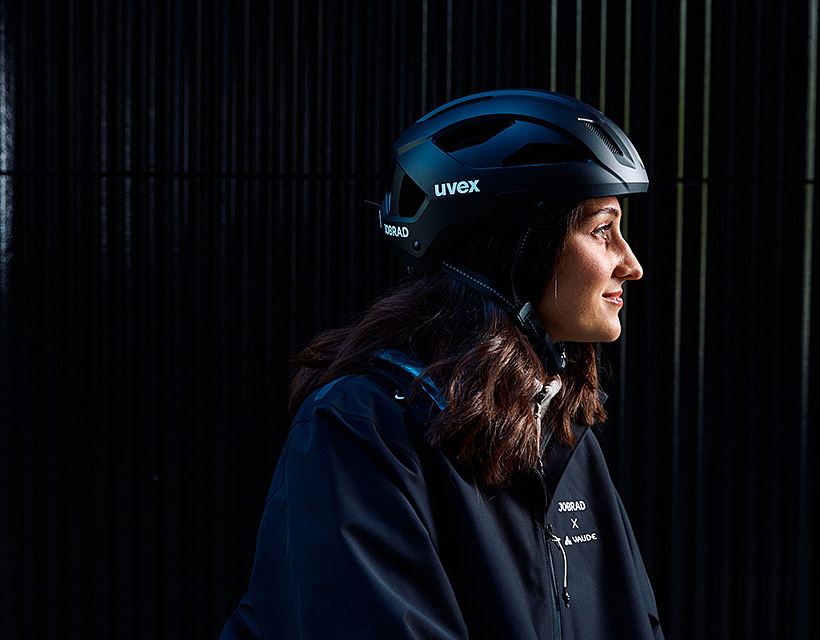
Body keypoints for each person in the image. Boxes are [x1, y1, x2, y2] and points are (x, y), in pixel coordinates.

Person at [221, 89, 665, 639]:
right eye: (603, 230)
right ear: (519, 248)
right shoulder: (361, 428)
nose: (632, 264)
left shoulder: (564, 436)